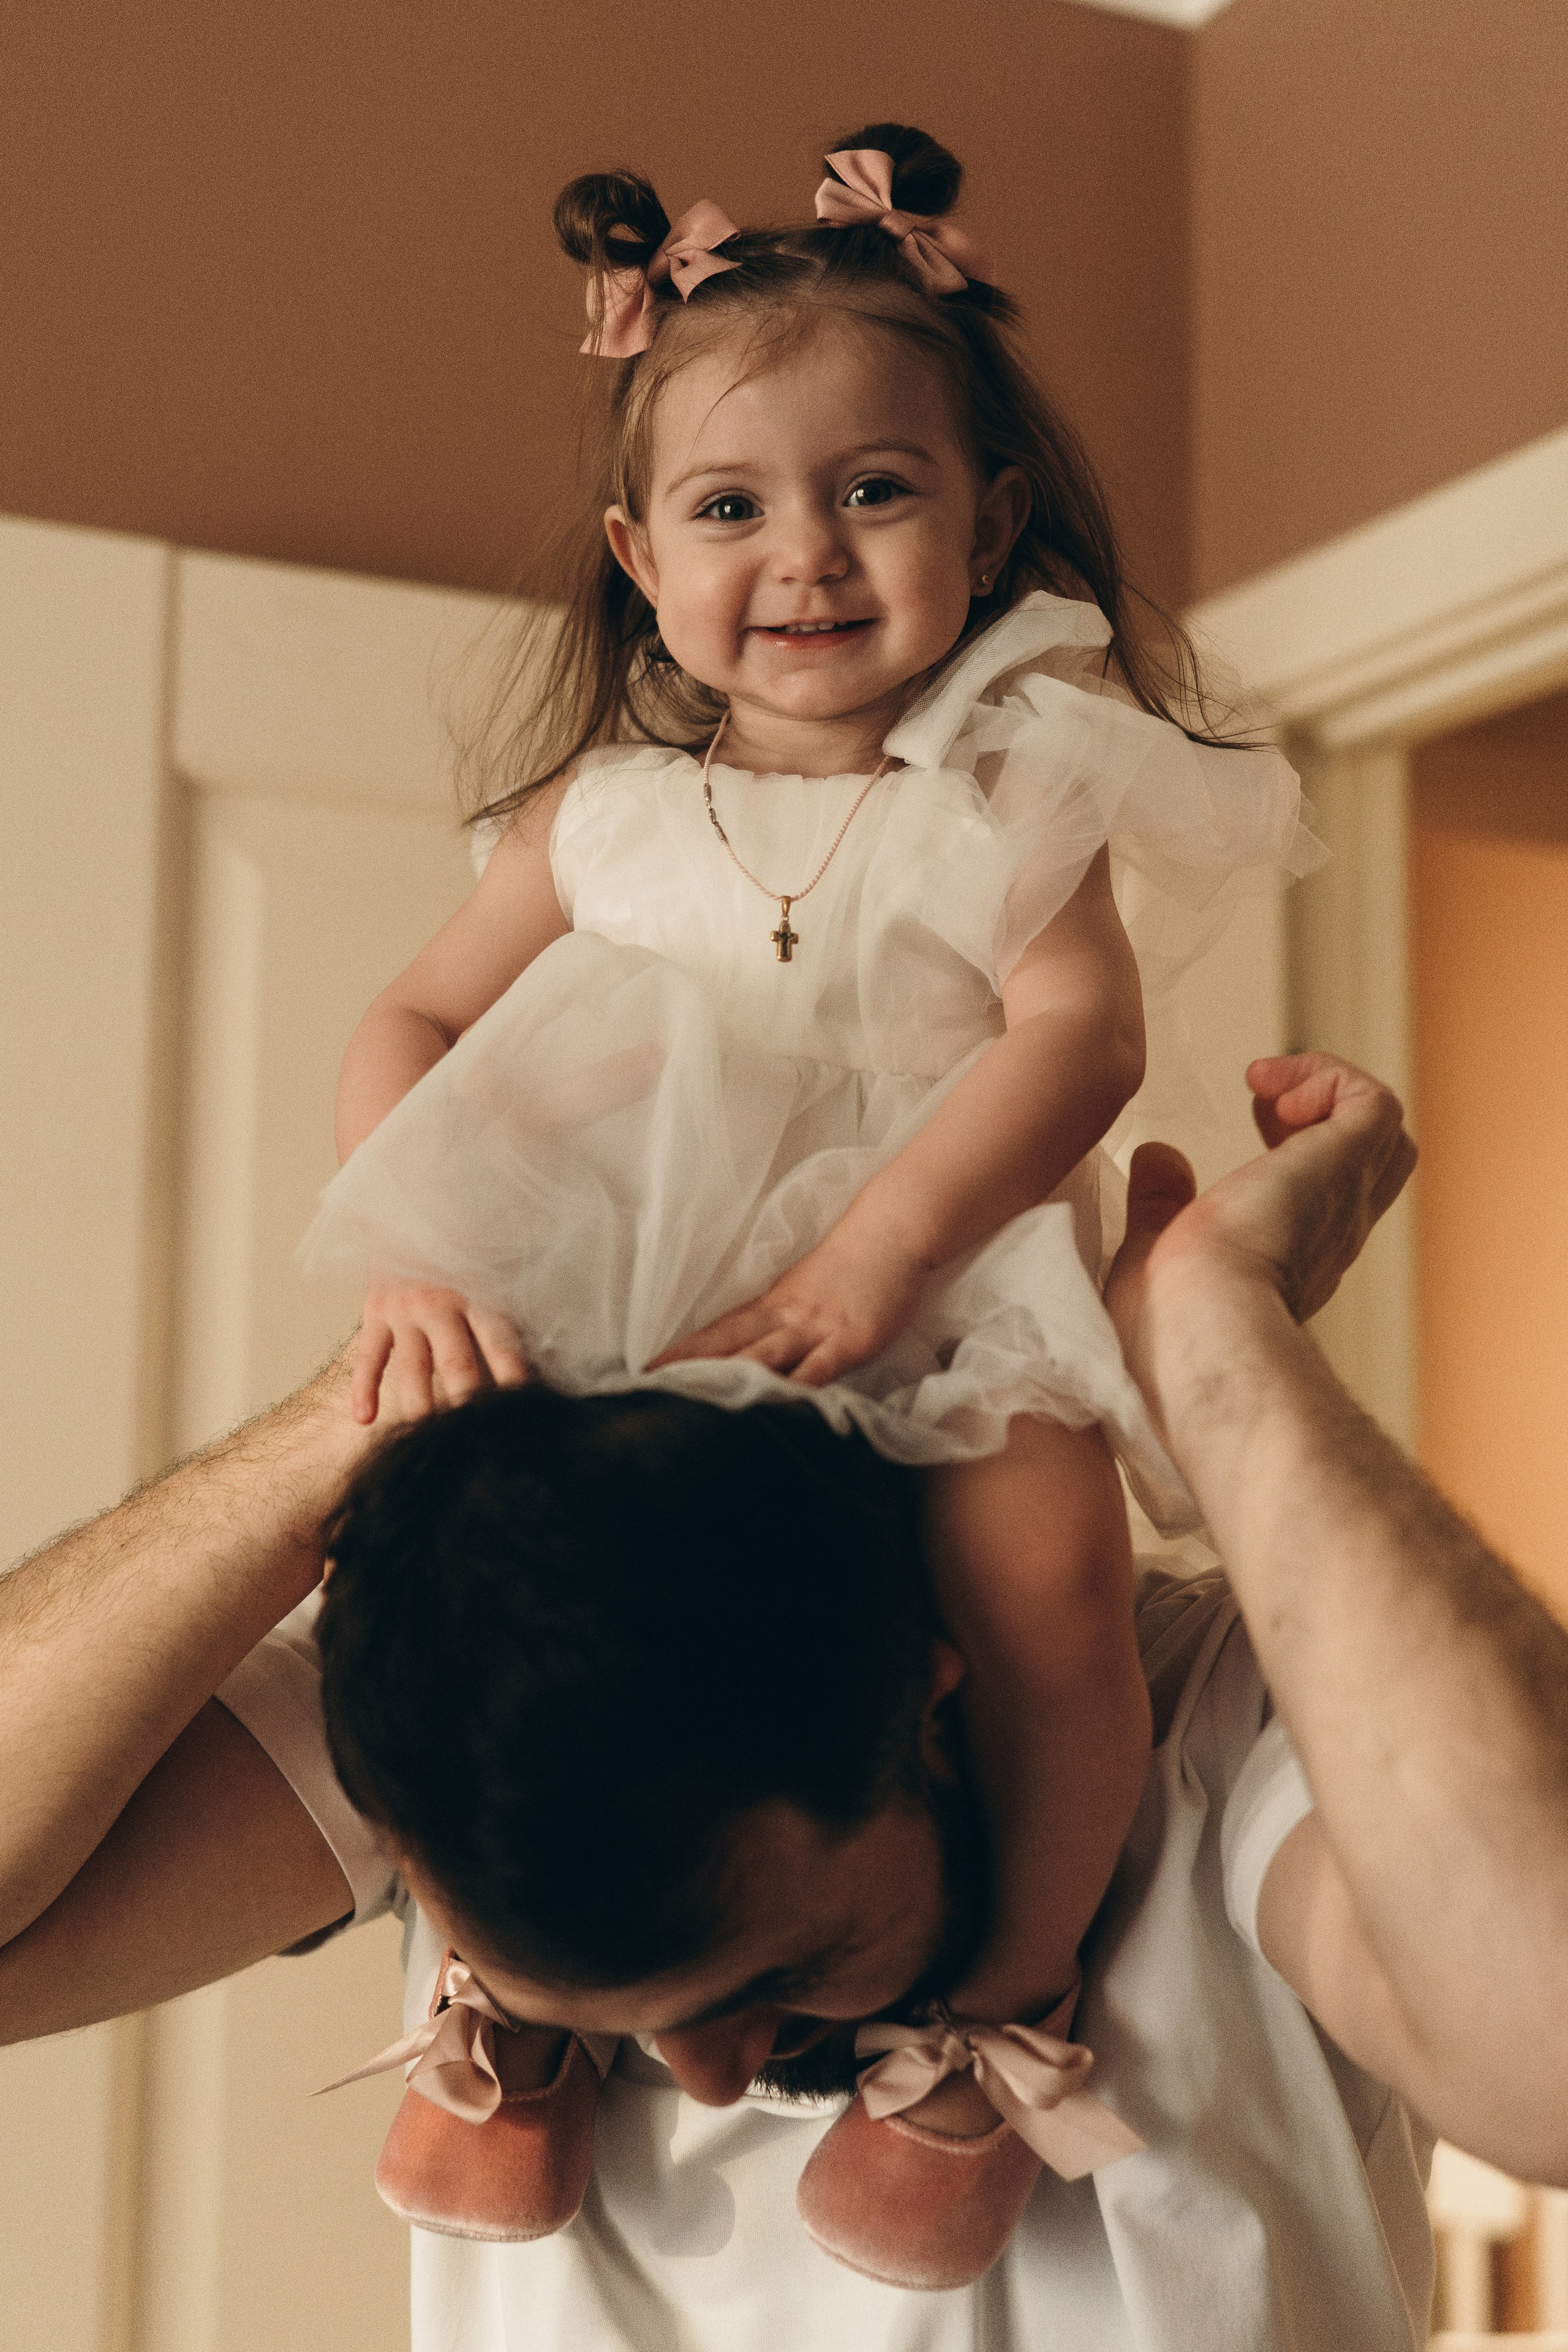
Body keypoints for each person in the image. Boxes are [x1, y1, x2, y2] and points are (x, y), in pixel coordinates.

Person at [300, 122, 1316, 2276]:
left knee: (1045, 1566)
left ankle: (985, 2026)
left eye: (878, 491)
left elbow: (1082, 1043)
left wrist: (882, 1252)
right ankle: (517, 2006)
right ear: (635, 552)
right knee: (514, 1616)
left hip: (930, 1270)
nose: (810, 557)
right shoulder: (602, 815)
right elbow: (408, 1022)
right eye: (732, 507)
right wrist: (417, 1235)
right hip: (646, 1268)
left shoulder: (1018, 782)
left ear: (992, 519)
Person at [7, 1052, 1568, 2352]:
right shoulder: (502, 1716)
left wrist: (1216, 1340)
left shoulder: (1215, 1719)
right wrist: (380, 1407)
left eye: (786, 1958)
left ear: (925, 1702)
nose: (706, 2072)